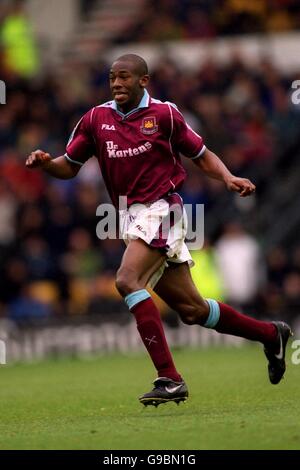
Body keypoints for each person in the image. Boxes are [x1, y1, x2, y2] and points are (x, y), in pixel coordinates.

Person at [26, 54, 292, 407]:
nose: (117, 83)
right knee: (193, 311)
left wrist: (227, 177)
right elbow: (69, 167)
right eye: (112, 78)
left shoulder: (165, 115)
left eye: (124, 77)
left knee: (126, 280)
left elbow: (201, 153)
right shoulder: (95, 119)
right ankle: (271, 335)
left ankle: (169, 378)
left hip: (162, 209)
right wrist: (47, 165)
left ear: (143, 81)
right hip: (127, 218)